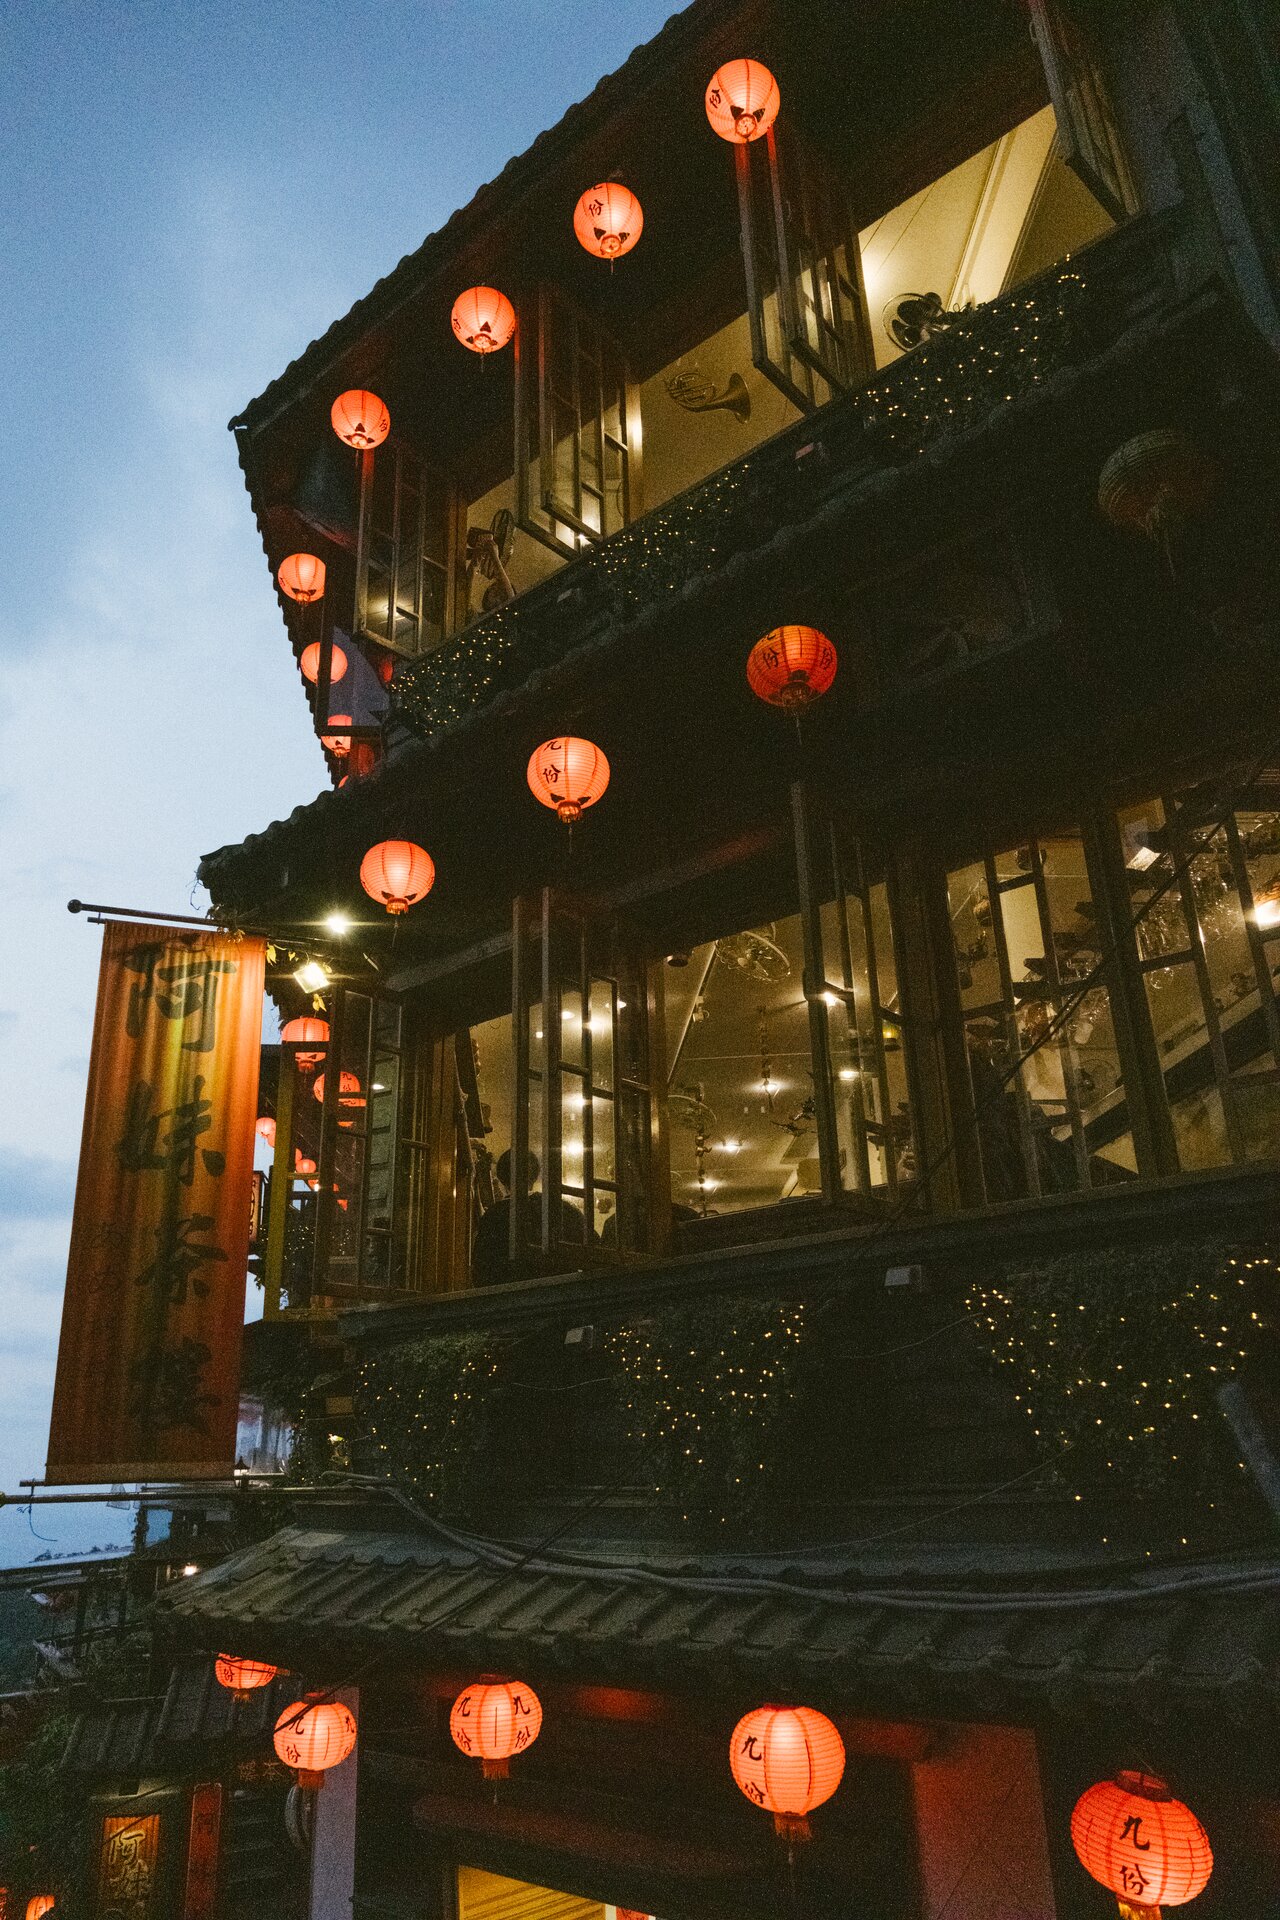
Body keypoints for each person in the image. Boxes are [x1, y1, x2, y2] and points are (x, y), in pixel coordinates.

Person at [470, 1147, 591, 1288]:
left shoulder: (493, 1216)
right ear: (535, 1177)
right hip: (563, 1294)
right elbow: (590, 1252)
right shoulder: (565, 1209)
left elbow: (481, 1270)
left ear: (502, 1180)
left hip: (509, 1299)